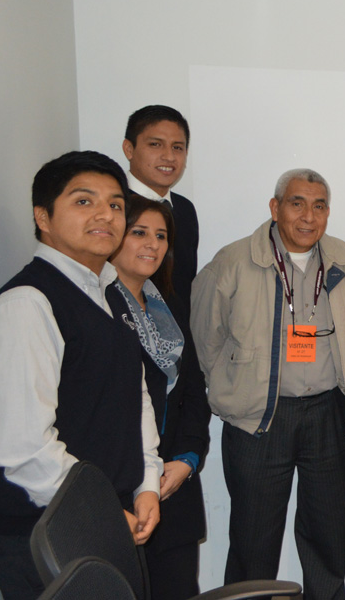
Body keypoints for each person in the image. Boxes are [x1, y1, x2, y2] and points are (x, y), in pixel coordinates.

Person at [0, 151, 162, 600]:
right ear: (43, 216)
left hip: (108, 517)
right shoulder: (27, 303)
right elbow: (21, 446)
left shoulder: (109, 294)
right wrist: (98, 512)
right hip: (49, 530)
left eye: (115, 204)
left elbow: (134, 396)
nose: (105, 214)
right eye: (84, 201)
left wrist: (147, 483)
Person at [191, 168, 345, 600]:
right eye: (297, 203)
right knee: (254, 538)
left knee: (329, 533)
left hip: (326, 413)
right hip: (259, 419)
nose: (308, 216)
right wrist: (239, 387)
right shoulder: (233, 261)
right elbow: (205, 341)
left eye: (319, 206)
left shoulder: (344, 258)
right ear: (275, 208)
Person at [110, 195, 211, 599]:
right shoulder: (98, 306)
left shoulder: (168, 305)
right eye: (139, 232)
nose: (152, 244)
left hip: (175, 480)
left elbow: (194, 389)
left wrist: (188, 458)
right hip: (123, 485)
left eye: (161, 235)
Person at [122, 105, 198, 312]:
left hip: (178, 328)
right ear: (129, 149)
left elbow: (184, 286)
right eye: (155, 144)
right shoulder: (115, 205)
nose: (169, 156)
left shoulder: (185, 209)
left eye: (177, 147)